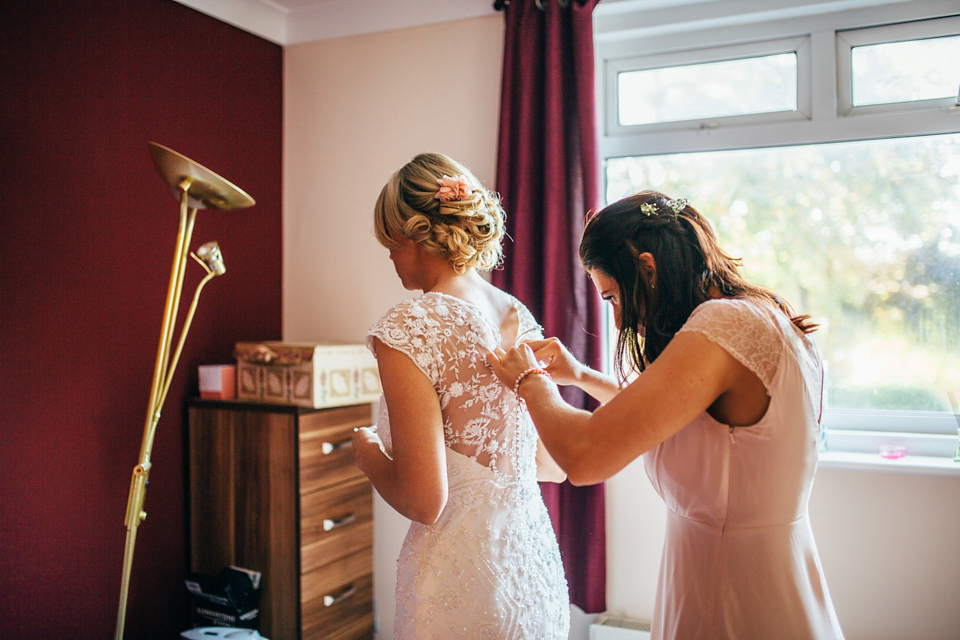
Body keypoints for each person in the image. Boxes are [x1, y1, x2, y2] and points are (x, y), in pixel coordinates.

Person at [487, 191, 844, 640]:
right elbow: (674, 414)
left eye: (614, 297)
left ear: (648, 268)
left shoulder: (721, 325)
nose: (618, 323)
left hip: (730, 584)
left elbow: (584, 455)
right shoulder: (763, 317)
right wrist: (579, 375)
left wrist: (529, 381)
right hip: (762, 566)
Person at [351, 152, 570, 639]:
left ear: (411, 236)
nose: (388, 257)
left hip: (458, 577)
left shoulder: (410, 326)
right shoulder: (516, 314)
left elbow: (424, 500)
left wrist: (370, 457)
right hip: (530, 569)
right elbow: (550, 465)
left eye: (389, 243)